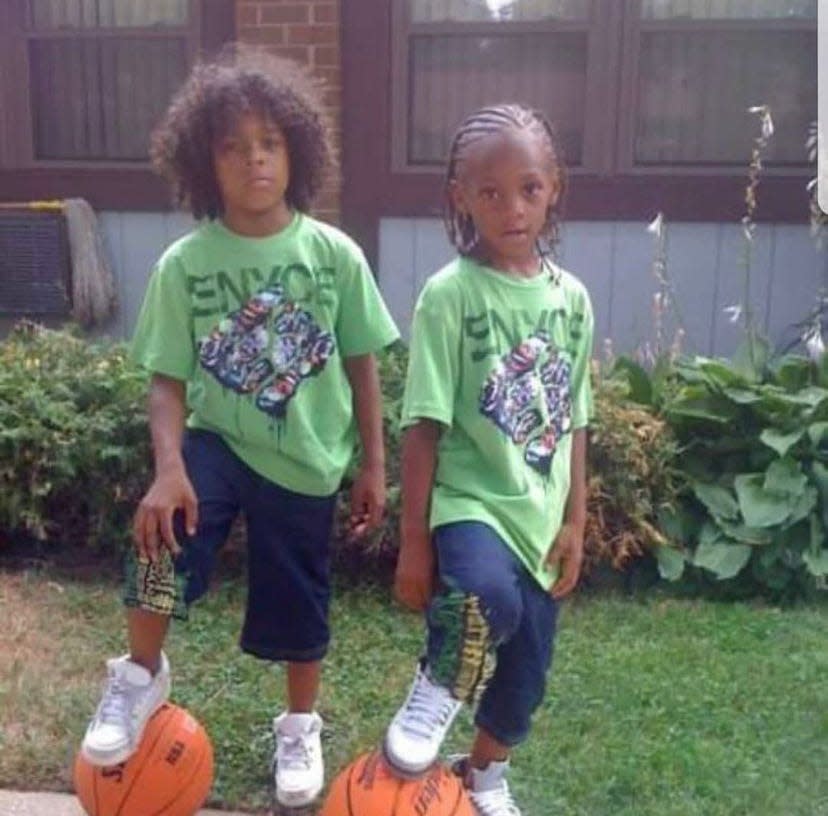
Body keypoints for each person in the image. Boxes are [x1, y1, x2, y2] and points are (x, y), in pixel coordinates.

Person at [80, 45, 399, 810]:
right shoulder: (185, 266)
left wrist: (374, 465)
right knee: (159, 536)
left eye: (270, 144)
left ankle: (298, 724)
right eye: (233, 147)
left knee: (299, 596)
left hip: (308, 457)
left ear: (296, 150)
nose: (255, 161)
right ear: (203, 162)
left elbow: (362, 366)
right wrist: (168, 467)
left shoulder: (335, 256)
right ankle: (138, 678)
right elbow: (166, 379)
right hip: (216, 446)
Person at [382, 104, 594, 816]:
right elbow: (423, 427)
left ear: (554, 187)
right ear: (460, 198)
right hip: (471, 504)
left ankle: (483, 775)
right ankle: (438, 685)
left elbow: (577, 421)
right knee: (485, 598)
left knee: (528, 670)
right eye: (491, 192)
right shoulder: (450, 296)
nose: (512, 207)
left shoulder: (573, 301)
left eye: (529, 188)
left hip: (539, 518)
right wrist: (414, 541)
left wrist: (576, 523)